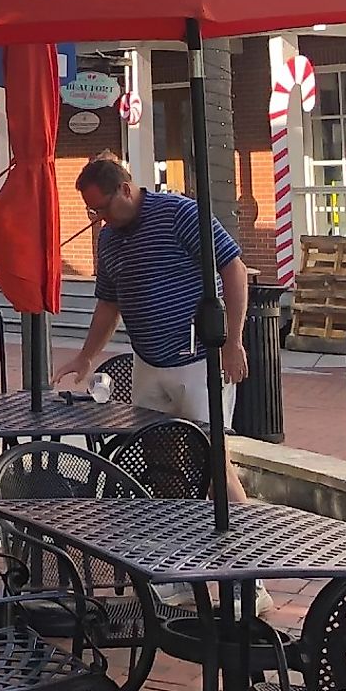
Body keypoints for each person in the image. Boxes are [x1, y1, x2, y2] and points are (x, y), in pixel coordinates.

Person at [53, 155, 250, 503]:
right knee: (160, 459)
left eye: (102, 209)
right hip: (147, 362)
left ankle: (242, 533)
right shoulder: (110, 239)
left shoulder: (179, 214)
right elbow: (108, 304)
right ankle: (177, 532)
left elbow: (233, 268)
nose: (99, 219)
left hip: (197, 358)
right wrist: (86, 357)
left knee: (211, 458)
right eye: (92, 213)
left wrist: (232, 341)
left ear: (125, 190)